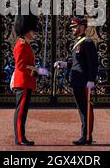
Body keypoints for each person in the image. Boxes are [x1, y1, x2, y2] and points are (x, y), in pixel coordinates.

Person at [54, 16, 99, 145]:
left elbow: (93, 63)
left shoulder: (87, 42)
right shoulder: (79, 42)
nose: (72, 30)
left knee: (86, 110)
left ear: (81, 27)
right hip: (77, 82)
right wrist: (64, 64)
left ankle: (86, 136)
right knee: (81, 110)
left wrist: (91, 80)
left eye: (74, 27)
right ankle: (85, 135)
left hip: (84, 82)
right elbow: (77, 63)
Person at [12, 14, 48, 146]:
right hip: (23, 82)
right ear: (27, 30)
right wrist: (38, 71)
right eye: (33, 30)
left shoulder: (25, 44)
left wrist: (37, 70)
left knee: (22, 111)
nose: (34, 33)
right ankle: (20, 138)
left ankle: (20, 137)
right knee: (21, 112)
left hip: (25, 82)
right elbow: (21, 66)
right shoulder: (22, 45)